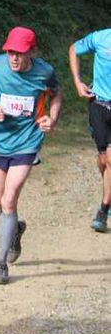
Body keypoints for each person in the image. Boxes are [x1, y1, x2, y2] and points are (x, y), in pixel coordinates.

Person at [0, 26, 62, 285]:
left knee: (9, 200)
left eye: (20, 53)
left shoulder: (45, 72)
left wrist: (51, 119)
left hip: (27, 141)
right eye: (10, 52)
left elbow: (56, 96)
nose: (14, 58)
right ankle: (15, 229)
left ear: (32, 51)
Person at [68, 28, 111, 232]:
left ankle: (103, 210)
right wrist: (77, 82)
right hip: (99, 105)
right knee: (103, 159)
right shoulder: (100, 38)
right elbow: (74, 49)